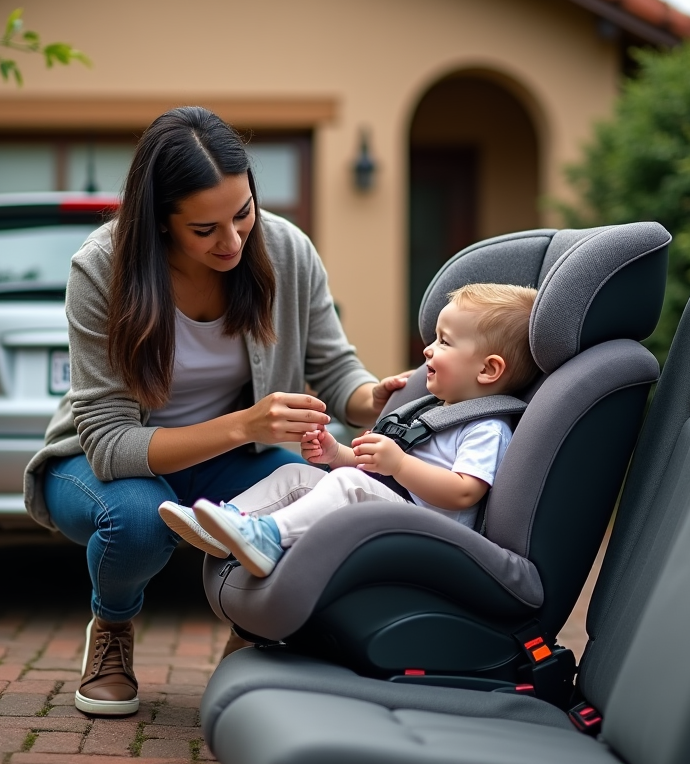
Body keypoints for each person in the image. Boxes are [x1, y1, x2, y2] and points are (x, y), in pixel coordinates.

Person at [22, 106, 409, 717]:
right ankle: (112, 628)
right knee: (141, 522)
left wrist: (375, 398)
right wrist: (246, 425)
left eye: (243, 213)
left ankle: (253, 639)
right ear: (160, 223)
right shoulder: (101, 268)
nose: (232, 241)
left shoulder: (284, 249)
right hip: (102, 468)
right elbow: (109, 444)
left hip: (229, 461)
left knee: (325, 500)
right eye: (205, 230)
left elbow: (335, 370)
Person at [174, 283, 539, 578]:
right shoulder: (434, 411)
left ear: (489, 370)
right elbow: (375, 470)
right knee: (295, 474)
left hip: (432, 533)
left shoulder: (486, 427)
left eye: (445, 342)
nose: (428, 350)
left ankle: (269, 538)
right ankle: (225, 522)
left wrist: (398, 465)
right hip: (396, 506)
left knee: (348, 484)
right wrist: (337, 455)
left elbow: (464, 494)